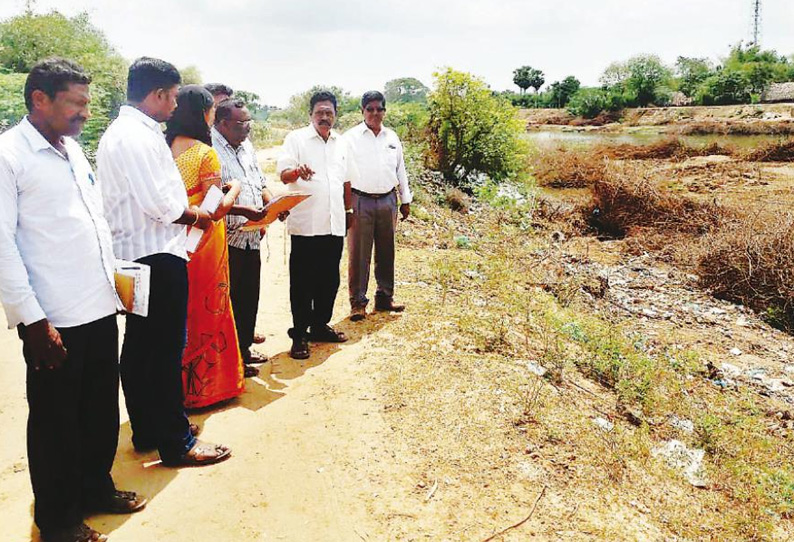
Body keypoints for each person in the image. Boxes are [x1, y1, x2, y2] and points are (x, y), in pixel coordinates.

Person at [0, 58, 145, 542]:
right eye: (76, 103)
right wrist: (32, 321)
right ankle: (58, 519)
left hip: (99, 305)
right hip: (54, 317)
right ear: (40, 99)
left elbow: (93, 223)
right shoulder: (10, 156)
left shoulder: (72, 151)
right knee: (56, 423)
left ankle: (94, 487)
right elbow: (2, 246)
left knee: (100, 410)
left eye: (87, 103)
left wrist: (117, 284)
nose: (86, 113)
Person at [97, 57, 230, 467]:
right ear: (156, 94)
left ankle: (148, 429)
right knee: (164, 350)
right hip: (155, 254)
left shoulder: (127, 133)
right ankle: (177, 441)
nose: (175, 106)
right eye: (172, 97)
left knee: (141, 347)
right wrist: (198, 215)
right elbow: (162, 205)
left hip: (138, 253)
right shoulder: (135, 137)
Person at [165, 85, 250, 407]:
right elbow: (215, 209)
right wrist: (236, 188)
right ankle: (208, 389)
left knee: (182, 314)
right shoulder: (204, 152)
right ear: (203, 113)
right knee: (208, 311)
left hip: (173, 241)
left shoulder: (163, 147)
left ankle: (179, 390)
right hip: (203, 242)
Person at [277, 90, 357, 360]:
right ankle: (299, 334)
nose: (325, 117)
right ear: (310, 114)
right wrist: (298, 171)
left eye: (329, 113)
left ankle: (320, 325)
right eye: (320, 112)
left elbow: (346, 181)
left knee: (329, 279)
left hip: (334, 222)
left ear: (336, 115)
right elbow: (284, 175)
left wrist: (348, 209)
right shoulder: (296, 139)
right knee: (302, 282)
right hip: (306, 225)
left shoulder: (341, 142)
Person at [213, 97, 284, 366]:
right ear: (222, 124)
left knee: (248, 299)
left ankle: (243, 351)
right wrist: (245, 212)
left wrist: (273, 203)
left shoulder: (247, 147)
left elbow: (260, 182)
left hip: (252, 236)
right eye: (242, 123)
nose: (248, 128)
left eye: (249, 122)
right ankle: (229, 362)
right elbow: (212, 202)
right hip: (226, 240)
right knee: (227, 302)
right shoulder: (211, 151)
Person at [344, 91, 412, 320]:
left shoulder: (392, 137)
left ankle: (384, 298)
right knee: (359, 253)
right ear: (362, 111)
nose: (375, 113)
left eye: (379, 109)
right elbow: (342, 173)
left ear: (384, 110)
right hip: (360, 199)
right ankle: (358, 302)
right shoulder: (351, 138)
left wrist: (406, 200)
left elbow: (400, 169)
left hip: (387, 200)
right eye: (370, 109)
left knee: (386, 251)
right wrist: (346, 206)